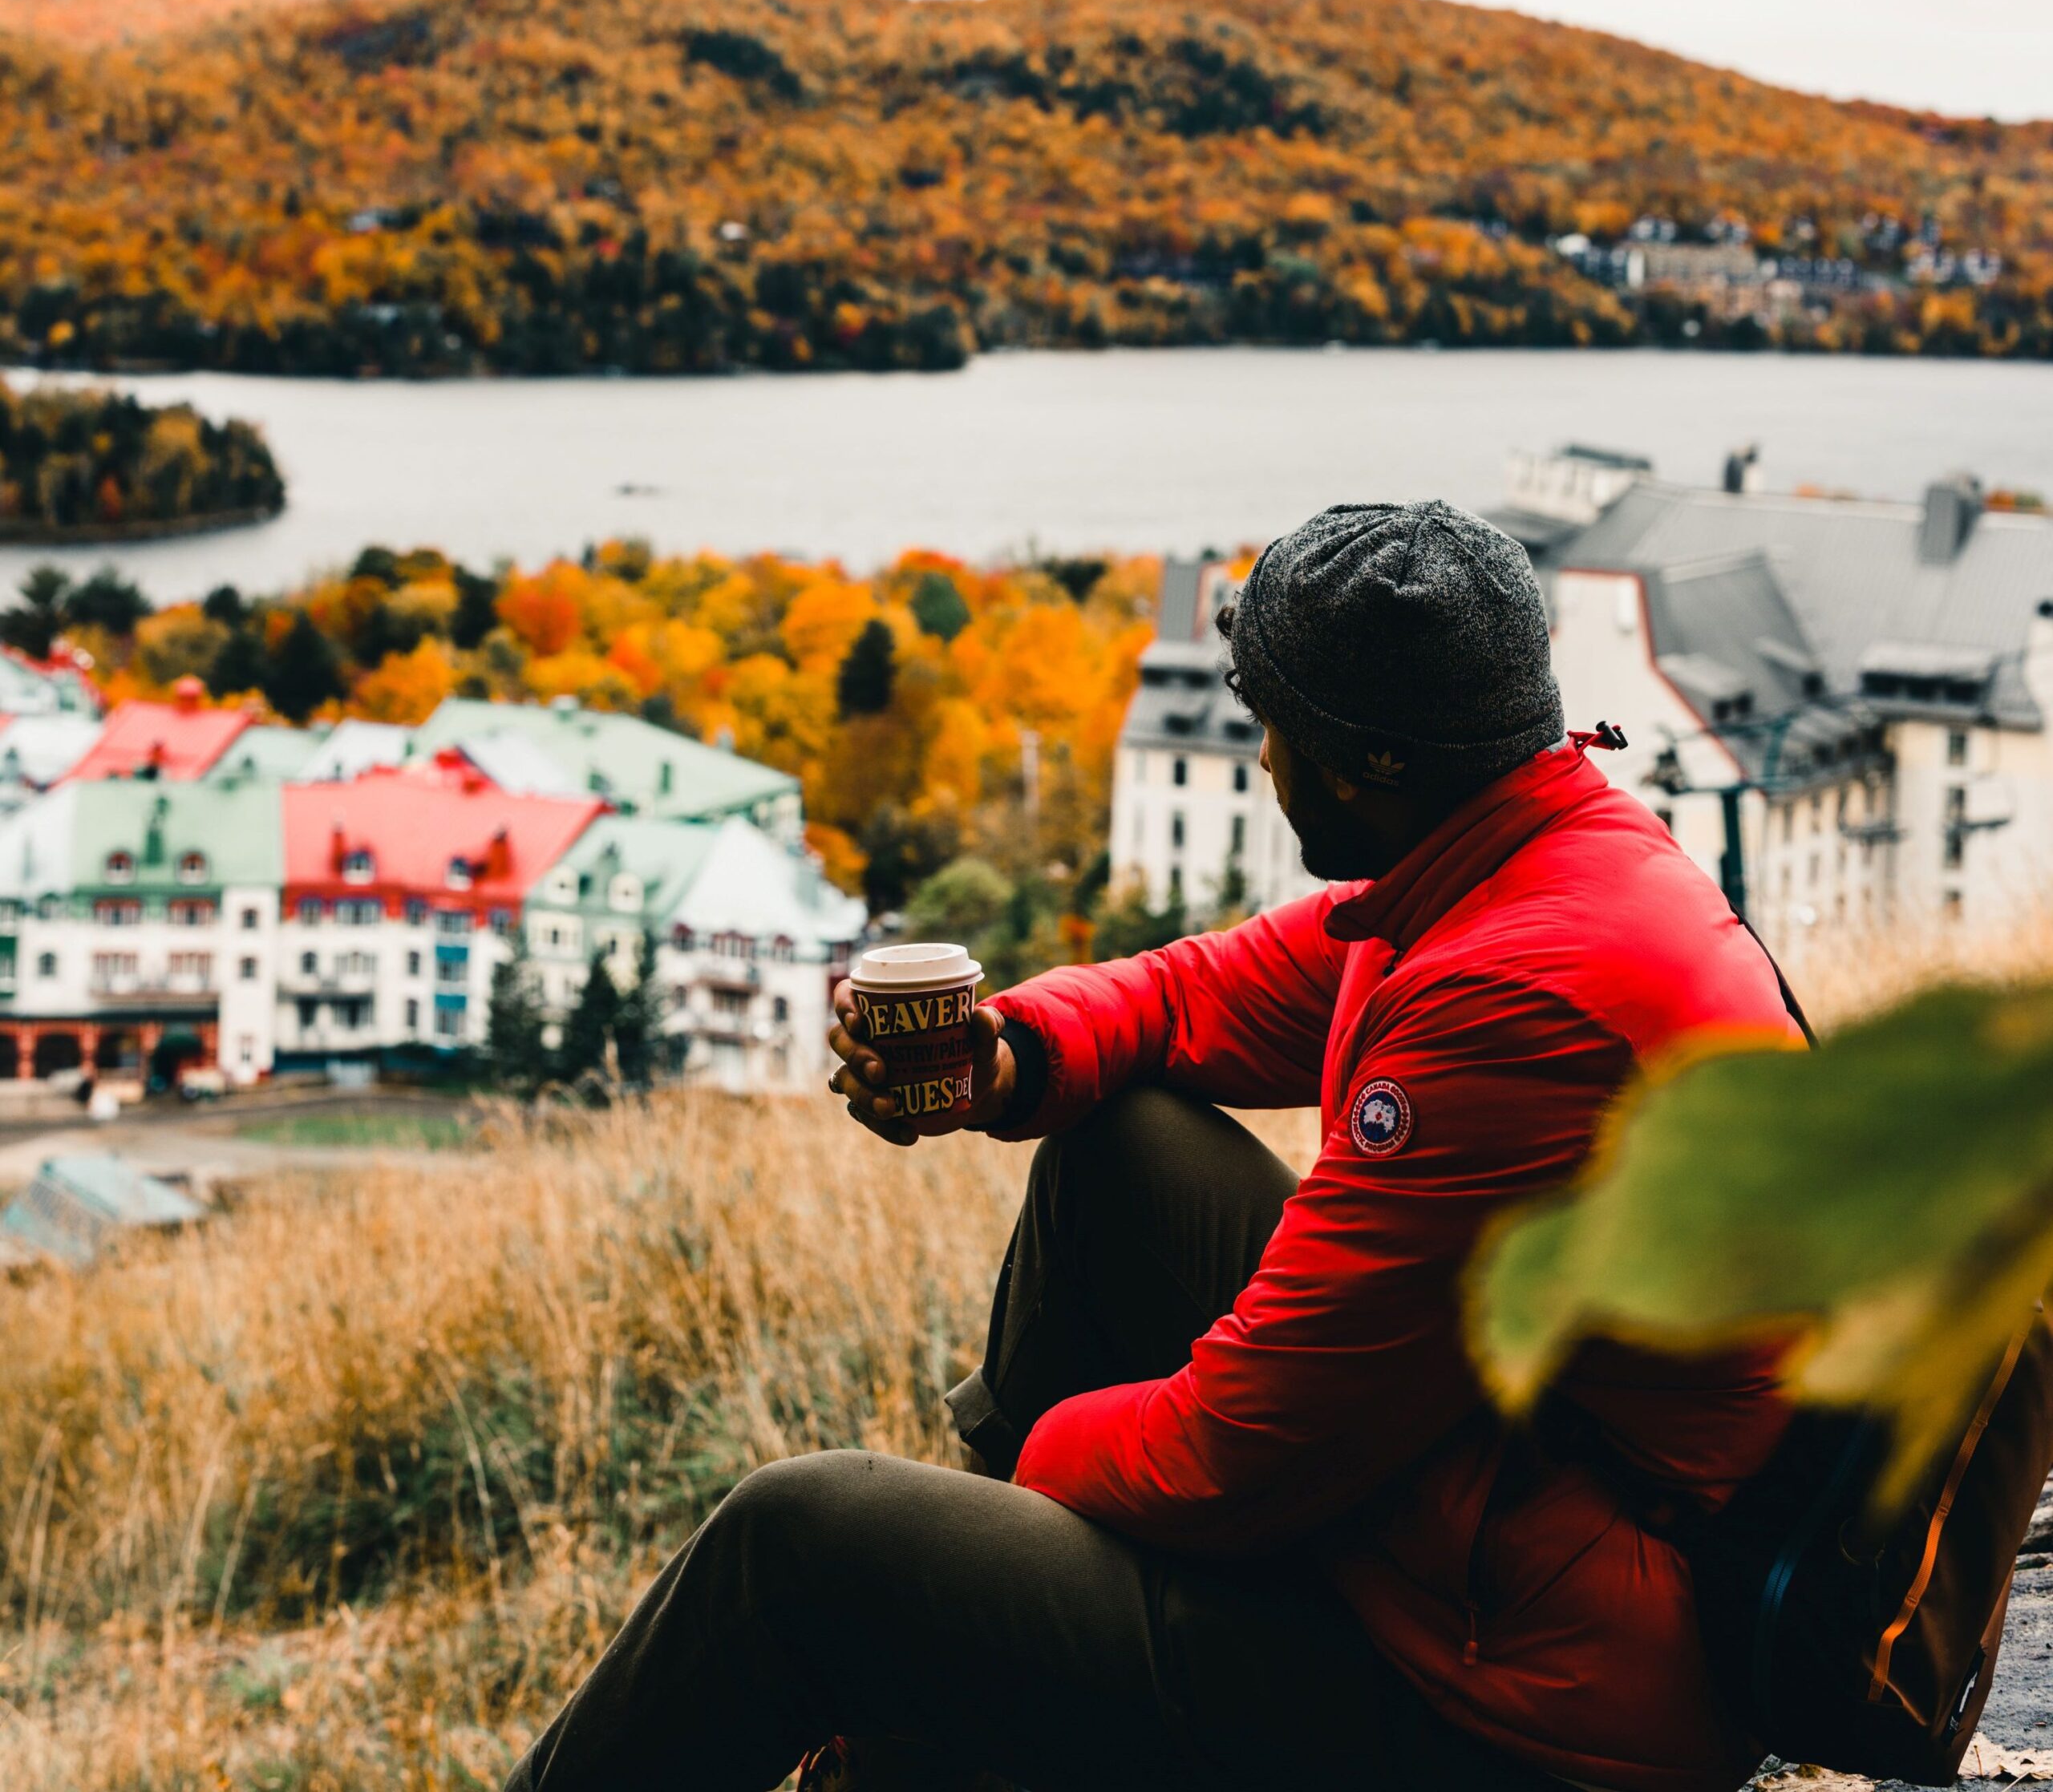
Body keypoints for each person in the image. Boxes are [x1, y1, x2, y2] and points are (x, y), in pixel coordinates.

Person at [505, 501, 1802, 1792]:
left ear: (1371, 763)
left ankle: (920, 1668)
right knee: (1116, 1144)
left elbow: (1235, 1455)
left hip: (1531, 1703)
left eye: (1272, 724)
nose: (1260, 760)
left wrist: (1025, 1481)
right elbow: (1200, 998)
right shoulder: (1520, 864)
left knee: (798, 1541)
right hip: (1514, 1524)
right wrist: (1003, 1058)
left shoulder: (1515, 1003)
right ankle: (940, 1688)